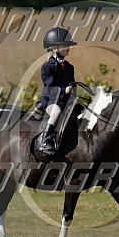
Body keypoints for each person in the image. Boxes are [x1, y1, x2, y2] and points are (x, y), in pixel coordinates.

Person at [38, 27, 77, 157]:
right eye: (65, 45)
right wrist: (63, 90)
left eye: (69, 45)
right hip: (50, 102)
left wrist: (74, 93)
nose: (68, 47)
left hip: (66, 101)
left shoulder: (70, 67)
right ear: (54, 48)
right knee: (56, 113)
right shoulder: (47, 67)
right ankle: (45, 141)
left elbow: (72, 84)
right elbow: (49, 89)